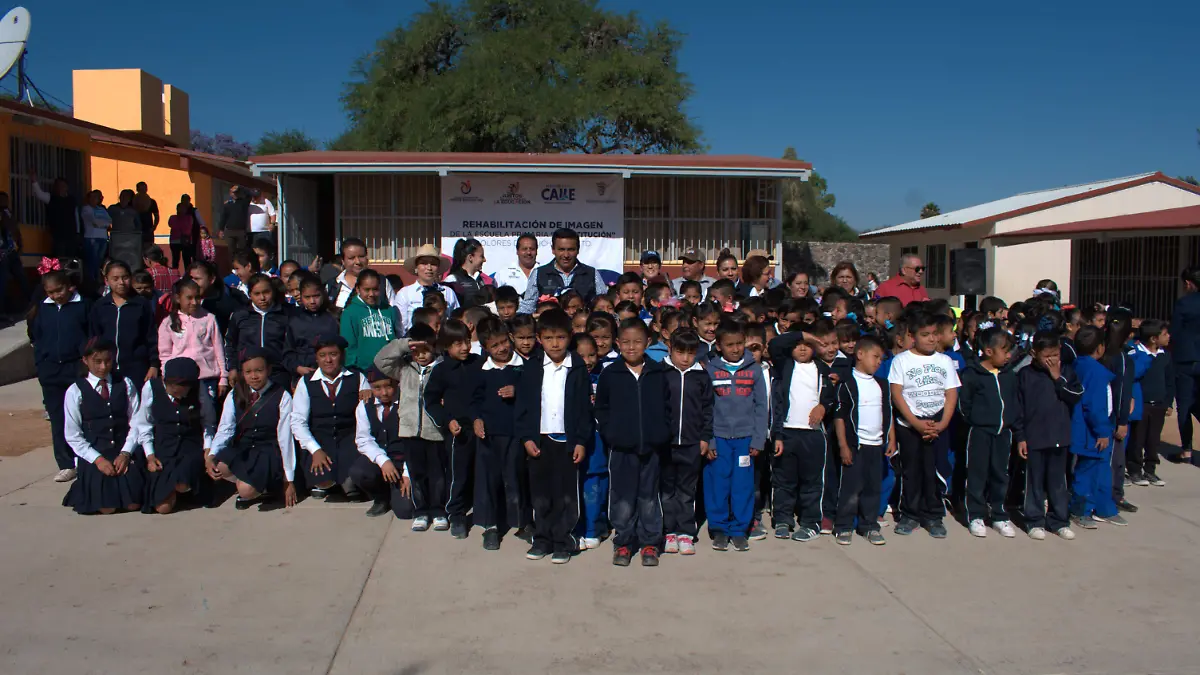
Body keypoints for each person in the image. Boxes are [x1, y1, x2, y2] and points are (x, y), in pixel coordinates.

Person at [514, 309, 592, 564]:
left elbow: (583, 409)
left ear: (570, 337)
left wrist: (580, 440)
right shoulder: (533, 367)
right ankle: (542, 538)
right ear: (539, 339)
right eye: (548, 338)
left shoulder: (577, 367)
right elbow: (523, 407)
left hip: (567, 441)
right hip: (540, 440)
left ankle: (564, 539)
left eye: (560, 337)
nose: (555, 343)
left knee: (566, 493)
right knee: (541, 492)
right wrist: (527, 438)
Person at [596, 319, 670, 567]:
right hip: (621, 449)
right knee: (623, 498)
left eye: (637, 342)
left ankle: (650, 542)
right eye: (625, 342)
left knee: (649, 497)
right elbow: (602, 408)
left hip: (652, 448)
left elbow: (668, 407)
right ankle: (624, 543)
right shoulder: (611, 374)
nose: (631, 347)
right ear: (617, 343)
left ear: (648, 342)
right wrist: (611, 434)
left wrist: (661, 433)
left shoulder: (658, 372)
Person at [888, 311, 959, 538]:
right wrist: (916, 423)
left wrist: (943, 423)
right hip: (909, 427)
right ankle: (910, 514)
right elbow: (897, 394)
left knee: (934, 471)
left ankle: (933, 515)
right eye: (925, 334)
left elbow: (951, 394)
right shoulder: (901, 361)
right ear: (912, 336)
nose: (931, 339)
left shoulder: (944, 361)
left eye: (935, 334)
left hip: (937, 425)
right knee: (911, 471)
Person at [373, 325, 448, 532]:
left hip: (435, 432)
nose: (421, 355)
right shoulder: (404, 368)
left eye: (426, 350)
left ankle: (439, 510)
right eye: (416, 351)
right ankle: (421, 511)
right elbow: (381, 360)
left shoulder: (442, 368)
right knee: (417, 473)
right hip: (409, 430)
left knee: (437, 475)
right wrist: (405, 344)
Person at [703, 319, 768, 552]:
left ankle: (739, 529)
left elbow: (762, 406)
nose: (736, 349)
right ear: (719, 346)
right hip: (718, 439)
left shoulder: (754, 371)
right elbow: (706, 408)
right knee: (718, 485)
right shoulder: (710, 370)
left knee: (742, 485)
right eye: (730, 344)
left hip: (745, 440)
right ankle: (719, 529)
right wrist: (709, 440)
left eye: (740, 343)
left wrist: (758, 438)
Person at [61, 338, 145, 514]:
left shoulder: (125, 383)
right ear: (85, 360)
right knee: (107, 508)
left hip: (123, 449)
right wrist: (97, 459)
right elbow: (73, 435)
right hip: (96, 452)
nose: (103, 367)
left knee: (133, 504)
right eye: (97, 362)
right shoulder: (75, 391)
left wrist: (126, 453)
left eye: (107, 361)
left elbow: (137, 421)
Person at [767, 327, 835, 543]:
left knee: (812, 482)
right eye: (798, 345)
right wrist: (806, 335)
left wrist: (824, 406)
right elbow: (775, 345)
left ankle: (810, 522)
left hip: (813, 435)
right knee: (783, 480)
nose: (803, 348)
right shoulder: (785, 365)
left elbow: (832, 395)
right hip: (786, 432)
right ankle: (782, 520)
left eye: (808, 345)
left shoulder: (822, 369)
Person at [208, 348, 297, 510]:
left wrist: (288, 480)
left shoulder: (281, 395)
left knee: (245, 491)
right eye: (248, 372)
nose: (254, 376)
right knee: (219, 465)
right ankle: (255, 484)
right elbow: (225, 428)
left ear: (268, 370)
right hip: (244, 448)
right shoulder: (235, 393)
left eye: (259, 370)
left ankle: (260, 486)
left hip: (268, 451)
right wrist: (211, 454)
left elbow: (285, 438)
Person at [1014, 331, 1082, 540]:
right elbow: (1018, 410)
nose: (1052, 359)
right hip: (1034, 437)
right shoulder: (1025, 375)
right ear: (1035, 353)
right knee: (1034, 481)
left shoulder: (1067, 372)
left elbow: (1076, 396)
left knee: (1058, 482)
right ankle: (1034, 520)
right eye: (1047, 355)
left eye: (1055, 354)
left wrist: (1057, 378)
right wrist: (1021, 437)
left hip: (1059, 436)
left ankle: (1059, 520)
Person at [471, 316, 528, 549]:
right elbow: (474, 399)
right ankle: (491, 526)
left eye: (504, 342)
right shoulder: (481, 370)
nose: (502, 348)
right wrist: (476, 419)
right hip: (490, 436)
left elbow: (534, 394)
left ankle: (524, 522)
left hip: (516, 434)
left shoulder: (524, 366)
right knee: (489, 480)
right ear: (485, 348)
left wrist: (518, 390)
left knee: (518, 479)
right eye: (495, 345)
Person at [30, 269, 91, 482]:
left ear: (69, 286)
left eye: (60, 290)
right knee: (58, 418)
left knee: (82, 415)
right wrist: (41, 364)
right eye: (51, 292)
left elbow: (91, 336)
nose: (56, 295)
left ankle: (84, 459)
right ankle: (65, 463)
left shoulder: (83, 306)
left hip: (76, 368)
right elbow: (37, 338)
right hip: (51, 371)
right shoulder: (43, 309)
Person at [832, 335, 894, 545]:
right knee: (850, 488)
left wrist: (891, 439)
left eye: (881, 359)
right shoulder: (847, 383)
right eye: (875, 356)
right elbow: (840, 417)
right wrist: (843, 446)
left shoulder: (882, 384)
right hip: (855, 446)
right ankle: (844, 526)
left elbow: (888, 414)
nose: (878, 362)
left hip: (876, 446)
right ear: (859, 355)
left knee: (872, 487)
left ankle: (869, 525)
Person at [422, 319, 481, 539]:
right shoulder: (442, 370)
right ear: (446, 346)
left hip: (480, 429)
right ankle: (456, 514)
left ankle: (484, 511)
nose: (465, 347)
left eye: (466, 341)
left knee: (480, 472)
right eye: (457, 343)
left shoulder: (479, 363)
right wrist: (447, 421)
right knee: (458, 474)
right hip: (459, 433)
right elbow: (431, 401)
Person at [958, 327, 1020, 539]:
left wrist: (1016, 430)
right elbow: (964, 405)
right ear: (988, 351)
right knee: (977, 474)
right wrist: (977, 421)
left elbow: (1015, 404)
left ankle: (999, 515)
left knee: (1000, 474)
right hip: (979, 433)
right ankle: (976, 515)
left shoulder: (1009, 375)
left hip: (1004, 434)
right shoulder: (972, 374)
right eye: (1004, 350)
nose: (1009, 355)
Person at [291, 335, 369, 500]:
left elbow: (366, 417)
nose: (328, 360)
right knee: (323, 481)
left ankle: (347, 481)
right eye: (322, 355)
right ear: (316, 358)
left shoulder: (357, 378)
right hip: (320, 438)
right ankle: (326, 482)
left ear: (341, 355)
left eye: (333, 354)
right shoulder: (306, 382)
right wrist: (315, 450)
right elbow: (298, 422)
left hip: (349, 438)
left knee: (353, 482)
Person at [660, 329, 713, 556]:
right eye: (680, 352)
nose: (684, 358)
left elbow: (708, 410)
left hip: (692, 443)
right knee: (666, 489)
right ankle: (668, 531)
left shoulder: (701, 376)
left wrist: (705, 437)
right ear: (670, 349)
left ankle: (685, 532)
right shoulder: (661, 373)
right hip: (665, 443)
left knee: (686, 490)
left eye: (690, 353)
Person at [158, 278, 227, 445]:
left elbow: (218, 348)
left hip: (207, 377)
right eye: (189, 298)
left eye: (197, 297)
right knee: (186, 418)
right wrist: (167, 376)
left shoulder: (209, 318)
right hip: (181, 380)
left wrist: (223, 377)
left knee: (208, 418)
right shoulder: (168, 322)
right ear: (177, 298)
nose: (194, 302)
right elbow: (165, 354)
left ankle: (209, 450)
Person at [138, 357, 210, 514]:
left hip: (189, 448)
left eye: (183, 387)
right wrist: (150, 455)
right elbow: (144, 424)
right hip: (164, 448)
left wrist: (207, 449)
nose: (177, 391)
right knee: (163, 508)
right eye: (171, 386)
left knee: (183, 483)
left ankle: (187, 488)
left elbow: (208, 423)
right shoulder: (151, 388)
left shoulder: (200, 389)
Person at [1068, 326, 1121, 529]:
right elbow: (1095, 405)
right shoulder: (1096, 372)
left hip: (1088, 428)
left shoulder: (1076, 364)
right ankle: (1080, 510)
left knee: (1100, 470)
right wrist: (1101, 431)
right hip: (1091, 431)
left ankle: (1103, 508)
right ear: (1100, 348)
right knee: (1086, 472)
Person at [348, 367, 413, 518]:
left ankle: (397, 491)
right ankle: (381, 498)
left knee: (405, 511)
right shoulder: (365, 405)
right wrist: (383, 461)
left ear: (397, 384)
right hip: (380, 461)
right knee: (359, 472)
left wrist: (407, 473)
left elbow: (413, 442)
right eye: (377, 388)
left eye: (388, 386)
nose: (384, 393)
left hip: (403, 462)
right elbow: (363, 439)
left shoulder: (406, 404)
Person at [90, 261, 159, 388]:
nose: (121, 282)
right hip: (108, 368)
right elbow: (94, 337)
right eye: (115, 279)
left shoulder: (141, 304)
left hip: (137, 367)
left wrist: (154, 365)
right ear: (107, 280)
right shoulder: (100, 306)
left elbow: (151, 336)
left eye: (125, 277)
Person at [1126, 319, 1173, 487]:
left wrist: (1168, 402)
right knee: (1138, 439)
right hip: (1142, 404)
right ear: (1153, 338)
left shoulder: (1165, 356)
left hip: (1158, 404)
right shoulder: (1135, 353)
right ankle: (1134, 470)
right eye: (1165, 334)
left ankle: (1150, 469)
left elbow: (1170, 381)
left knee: (1153, 440)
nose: (1169, 337)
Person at [224, 273, 290, 390]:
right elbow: (230, 343)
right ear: (250, 295)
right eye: (257, 294)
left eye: (266, 292)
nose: (262, 298)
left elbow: (291, 346)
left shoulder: (285, 315)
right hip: (248, 373)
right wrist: (233, 368)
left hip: (278, 373)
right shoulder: (240, 315)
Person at [519, 228, 607, 314]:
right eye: (561, 249)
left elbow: (603, 306)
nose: (566, 255)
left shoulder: (592, 273)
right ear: (553, 249)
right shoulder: (538, 274)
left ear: (578, 250)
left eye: (571, 249)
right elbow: (527, 308)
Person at [340, 269, 401, 373]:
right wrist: (351, 367)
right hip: (362, 369)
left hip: (389, 369)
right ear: (358, 289)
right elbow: (349, 345)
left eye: (375, 289)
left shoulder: (389, 310)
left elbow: (395, 339)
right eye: (366, 290)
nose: (371, 294)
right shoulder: (350, 313)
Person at [283, 273, 339, 378]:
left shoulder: (334, 316)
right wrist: (297, 368)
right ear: (301, 296)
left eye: (316, 296)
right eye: (307, 297)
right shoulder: (294, 319)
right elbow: (287, 352)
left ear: (323, 293)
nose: (312, 301)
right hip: (302, 375)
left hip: (331, 374)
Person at [1171, 265, 1200, 463]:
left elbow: (1175, 332)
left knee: (1185, 405)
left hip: (1186, 360)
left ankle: (1187, 450)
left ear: (1189, 283)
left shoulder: (1184, 304)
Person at [394, 243, 459, 331]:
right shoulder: (405, 294)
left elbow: (455, 321)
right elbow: (400, 326)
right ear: (416, 267)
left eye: (433, 264)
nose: (429, 268)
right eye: (424, 263)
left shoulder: (448, 292)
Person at [324, 238, 398, 311]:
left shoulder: (382, 282)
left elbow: (394, 313)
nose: (358, 262)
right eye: (351, 258)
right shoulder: (332, 285)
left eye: (361, 256)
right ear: (343, 261)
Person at [31, 174, 81, 261]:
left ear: (67, 187)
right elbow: (39, 194)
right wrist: (34, 181)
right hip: (58, 235)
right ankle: (59, 274)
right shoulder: (51, 197)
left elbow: (76, 216)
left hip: (71, 234)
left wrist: (78, 232)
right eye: (59, 186)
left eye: (63, 186)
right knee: (59, 258)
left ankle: (69, 274)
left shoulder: (72, 200)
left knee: (71, 259)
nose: (61, 188)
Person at [190, 261, 244, 336]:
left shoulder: (230, 302)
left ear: (212, 279)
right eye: (191, 278)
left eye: (197, 279)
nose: (192, 283)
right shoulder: (186, 300)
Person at [443, 237, 492, 308]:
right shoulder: (452, 279)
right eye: (482, 256)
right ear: (470, 257)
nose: (484, 260)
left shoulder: (479, 280)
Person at [0, 191, 29, 311]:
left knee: (21, 276)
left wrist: (20, 244)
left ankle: (29, 303)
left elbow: (16, 230)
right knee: (3, 279)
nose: (4, 202)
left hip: (12, 250)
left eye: (6, 200)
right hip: (3, 252)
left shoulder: (9, 213)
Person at [78, 189, 112, 282]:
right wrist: (103, 224)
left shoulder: (101, 209)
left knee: (99, 261)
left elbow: (109, 220)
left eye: (96, 198)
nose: (95, 199)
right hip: (91, 238)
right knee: (92, 260)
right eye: (93, 197)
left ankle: (97, 279)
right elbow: (95, 222)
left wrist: (102, 223)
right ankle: (91, 280)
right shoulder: (86, 209)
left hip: (103, 238)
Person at [216, 186, 251, 254]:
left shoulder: (244, 203)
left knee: (242, 251)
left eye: (236, 193)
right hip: (229, 231)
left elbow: (249, 194)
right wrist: (221, 230)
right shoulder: (227, 204)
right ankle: (232, 264)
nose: (235, 194)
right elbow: (224, 217)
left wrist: (240, 188)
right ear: (230, 193)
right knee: (231, 251)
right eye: (233, 193)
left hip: (241, 231)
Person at [167, 202, 195, 271]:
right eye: (180, 208)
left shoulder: (189, 218)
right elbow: (172, 225)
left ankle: (188, 276)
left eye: (183, 208)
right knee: (175, 260)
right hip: (174, 241)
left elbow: (188, 228)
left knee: (187, 260)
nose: (181, 210)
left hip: (186, 241)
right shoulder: (172, 217)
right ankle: (174, 275)